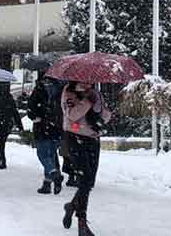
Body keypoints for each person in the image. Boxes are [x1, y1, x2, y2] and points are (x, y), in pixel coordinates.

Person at [61, 81, 111, 236]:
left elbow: (106, 114)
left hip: (93, 138)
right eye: (84, 80)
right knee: (84, 178)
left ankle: (72, 205)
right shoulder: (69, 93)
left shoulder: (95, 93)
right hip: (75, 137)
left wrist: (102, 114)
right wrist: (87, 101)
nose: (88, 82)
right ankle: (82, 221)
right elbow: (72, 115)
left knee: (89, 182)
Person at [27, 73, 64, 194]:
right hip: (57, 126)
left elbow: (31, 107)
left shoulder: (40, 88)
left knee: (42, 154)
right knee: (52, 154)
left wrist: (34, 116)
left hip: (42, 126)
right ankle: (47, 183)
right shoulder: (61, 88)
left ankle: (53, 173)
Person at [0, 82, 24, 172]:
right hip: (6, 124)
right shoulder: (9, 97)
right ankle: (1, 160)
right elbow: (15, 112)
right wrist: (20, 125)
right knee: (2, 143)